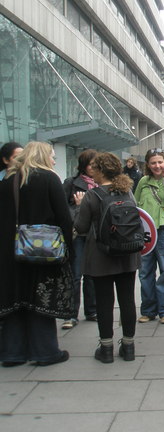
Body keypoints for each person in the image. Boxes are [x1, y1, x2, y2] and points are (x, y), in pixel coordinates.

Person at [0, 141, 73, 367]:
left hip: (9, 251)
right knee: (40, 298)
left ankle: (13, 353)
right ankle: (45, 351)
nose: (54, 160)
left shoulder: (7, 180)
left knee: (14, 299)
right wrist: (68, 248)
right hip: (42, 250)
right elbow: (64, 217)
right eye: (52, 156)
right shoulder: (48, 178)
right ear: (42, 156)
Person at [74, 152, 140, 363]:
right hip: (128, 253)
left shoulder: (93, 195)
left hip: (101, 255)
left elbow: (81, 227)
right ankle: (128, 347)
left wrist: (78, 206)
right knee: (127, 300)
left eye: (94, 167)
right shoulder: (127, 192)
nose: (91, 169)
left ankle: (106, 349)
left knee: (104, 302)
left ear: (101, 170)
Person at [134, 149, 164, 324]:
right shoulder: (143, 182)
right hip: (146, 232)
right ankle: (148, 310)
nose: (157, 166)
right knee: (145, 272)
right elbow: (136, 204)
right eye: (153, 162)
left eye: (160, 162)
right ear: (148, 164)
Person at [61, 149, 98, 329]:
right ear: (83, 166)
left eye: (95, 164)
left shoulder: (101, 184)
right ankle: (71, 314)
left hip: (96, 236)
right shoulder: (71, 183)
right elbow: (63, 211)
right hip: (78, 235)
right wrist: (78, 206)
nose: (93, 168)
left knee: (92, 275)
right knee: (76, 275)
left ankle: (91, 310)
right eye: (90, 164)